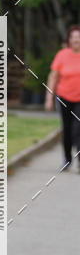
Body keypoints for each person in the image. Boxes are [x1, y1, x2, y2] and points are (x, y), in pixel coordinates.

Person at [45, 24, 80, 171]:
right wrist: (49, 98)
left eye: (79, 38)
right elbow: (53, 76)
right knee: (66, 129)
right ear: (69, 40)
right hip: (64, 97)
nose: (76, 40)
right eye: (74, 38)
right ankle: (67, 158)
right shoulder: (62, 55)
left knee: (77, 129)